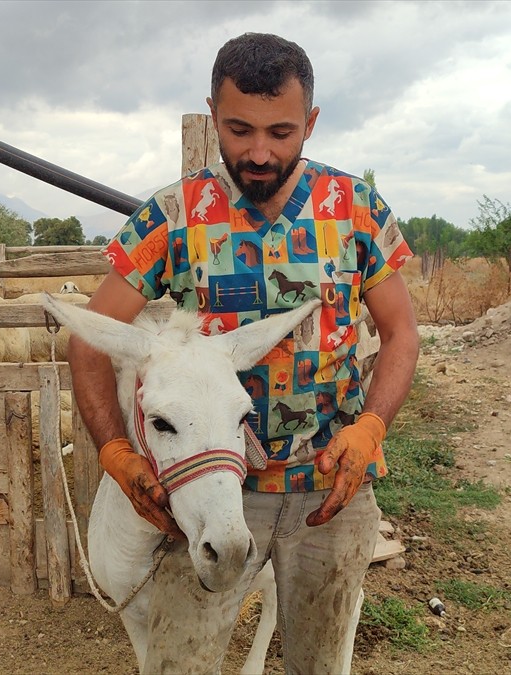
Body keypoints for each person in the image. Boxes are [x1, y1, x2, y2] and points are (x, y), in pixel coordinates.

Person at [69, 32, 419, 672]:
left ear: (311, 122)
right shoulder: (173, 217)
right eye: (238, 130)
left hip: (331, 488)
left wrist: (371, 428)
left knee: (321, 663)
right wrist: (114, 450)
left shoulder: (356, 211)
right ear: (212, 114)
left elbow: (401, 333)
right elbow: (88, 337)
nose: (259, 153)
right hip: (212, 492)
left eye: (281, 133)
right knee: (182, 664)